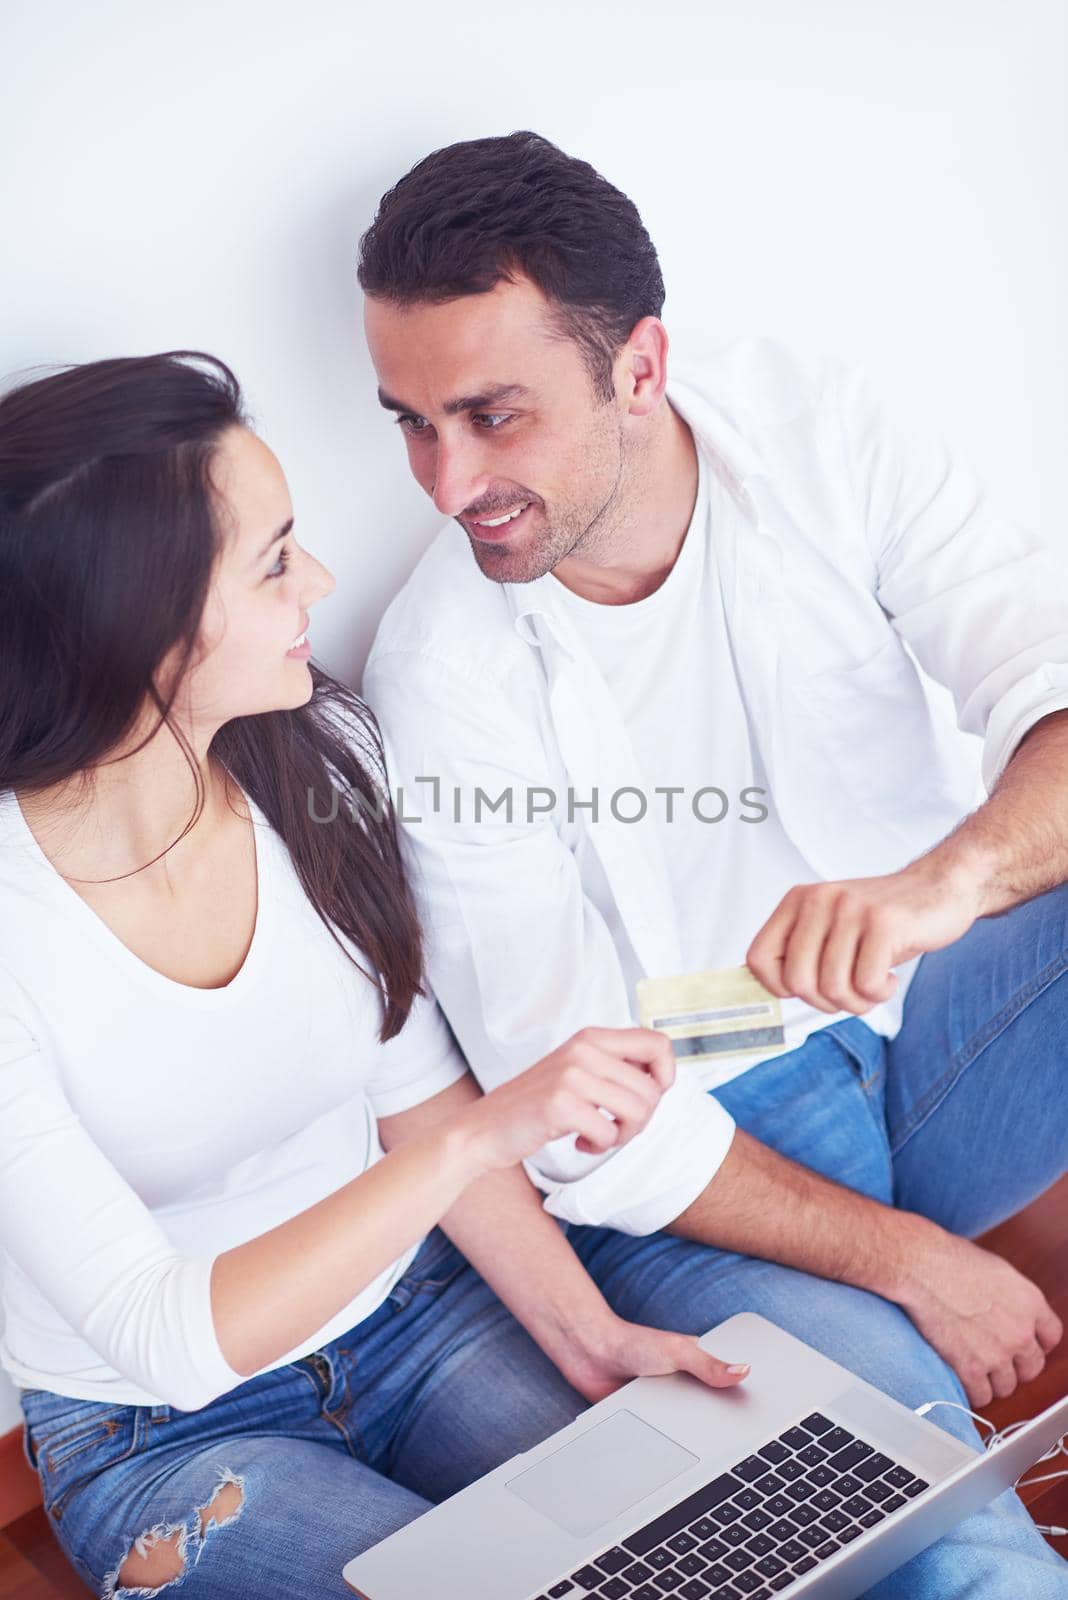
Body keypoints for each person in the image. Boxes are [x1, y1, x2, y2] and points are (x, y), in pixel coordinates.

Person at [358, 131, 1068, 1595]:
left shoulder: (825, 430)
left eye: (491, 416)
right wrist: (908, 1261)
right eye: (413, 425)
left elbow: (1044, 684)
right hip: (702, 1142)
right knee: (928, 1524)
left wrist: (943, 886)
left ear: (639, 366)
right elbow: (572, 1121)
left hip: (919, 1008)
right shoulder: (442, 670)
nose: (446, 483)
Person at [0, 351, 753, 1600]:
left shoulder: (316, 754)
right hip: (165, 1435)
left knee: (706, 1555)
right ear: (140, 622)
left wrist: (589, 1333)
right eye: (275, 558)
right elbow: (165, 1336)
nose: (323, 583)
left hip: (420, 1319)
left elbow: (411, 1089)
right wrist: (467, 1149)